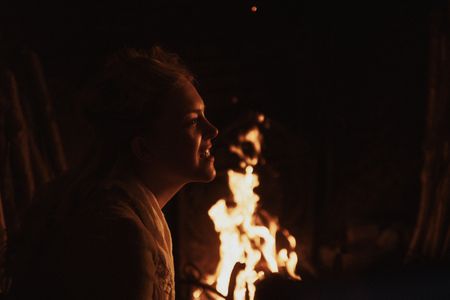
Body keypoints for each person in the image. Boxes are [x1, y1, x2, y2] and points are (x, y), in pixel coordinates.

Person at [6, 46, 219, 299]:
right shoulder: (124, 236)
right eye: (193, 121)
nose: (213, 130)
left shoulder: (116, 214)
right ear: (143, 147)